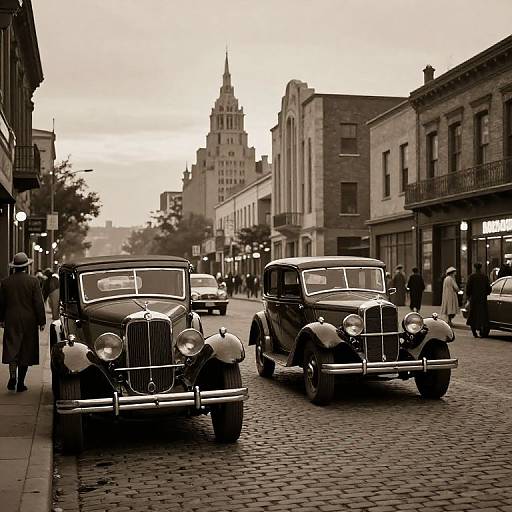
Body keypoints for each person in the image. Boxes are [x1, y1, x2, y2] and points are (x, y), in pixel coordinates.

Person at [0, 252, 46, 392]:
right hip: (29, 321)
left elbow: (1, 303)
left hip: (11, 319)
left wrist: (1, 319)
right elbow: (38, 303)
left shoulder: (5, 282)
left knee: (12, 349)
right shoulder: (33, 282)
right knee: (26, 350)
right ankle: (21, 383)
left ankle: (12, 376)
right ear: (27, 266)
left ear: (14, 267)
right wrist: (41, 321)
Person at [465, 262, 492, 338]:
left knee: (473, 315)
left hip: (474, 299)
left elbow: (468, 289)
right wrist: (486, 293)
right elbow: (489, 288)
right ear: (481, 268)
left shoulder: (471, 277)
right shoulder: (485, 277)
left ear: (475, 268)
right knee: (482, 315)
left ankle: (474, 332)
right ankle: (481, 329)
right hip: (482, 299)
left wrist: (468, 296)